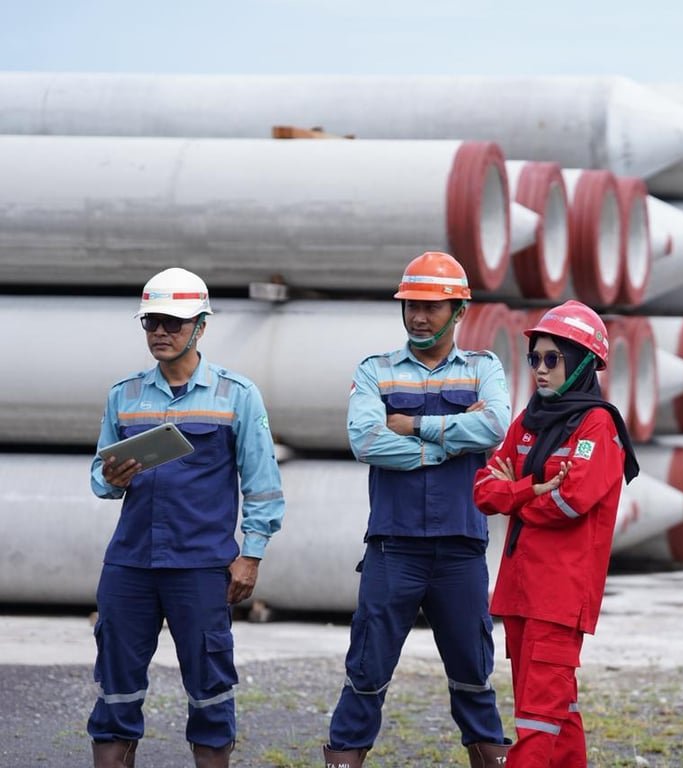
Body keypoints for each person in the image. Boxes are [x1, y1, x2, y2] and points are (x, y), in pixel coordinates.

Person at [89, 267, 285, 768]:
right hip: (131, 564)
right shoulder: (124, 395)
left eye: (173, 323)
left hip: (200, 565)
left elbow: (262, 482)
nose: (160, 332)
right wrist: (113, 477)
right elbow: (99, 478)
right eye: (151, 321)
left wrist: (252, 555)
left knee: (210, 688)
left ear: (200, 327)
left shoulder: (236, 395)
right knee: (114, 690)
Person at [324, 251, 512, 768]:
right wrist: (448, 445)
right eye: (412, 306)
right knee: (366, 670)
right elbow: (366, 440)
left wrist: (415, 426)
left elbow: (495, 426)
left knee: (473, 673)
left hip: (460, 548)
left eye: (432, 307)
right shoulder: (376, 370)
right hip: (393, 547)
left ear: (459, 311)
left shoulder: (483, 368)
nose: (420, 317)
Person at [473, 300, 640, 767]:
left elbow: (572, 500)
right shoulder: (528, 421)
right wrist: (530, 488)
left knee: (537, 719)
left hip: (559, 598)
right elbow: (484, 492)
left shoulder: (597, 425)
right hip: (518, 592)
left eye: (552, 359)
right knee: (558, 715)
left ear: (583, 364)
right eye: (535, 359)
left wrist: (515, 493)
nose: (540, 370)